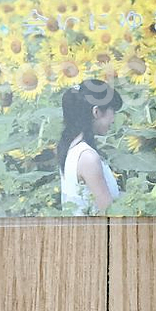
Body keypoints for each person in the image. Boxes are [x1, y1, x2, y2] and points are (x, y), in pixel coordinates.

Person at [57, 80, 123, 214]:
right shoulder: (88, 157)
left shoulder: (69, 145)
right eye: (112, 112)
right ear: (96, 112)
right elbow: (108, 212)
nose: (113, 120)